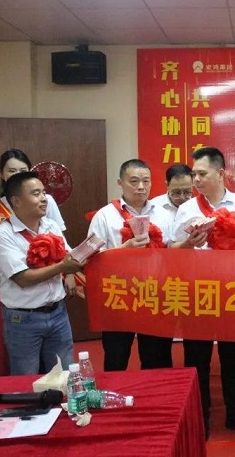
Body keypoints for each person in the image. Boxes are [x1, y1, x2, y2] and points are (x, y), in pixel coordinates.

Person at [171, 147, 235, 439]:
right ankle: (201, 417)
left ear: (221, 173)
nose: (196, 179)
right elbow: (172, 250)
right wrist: (189, 243)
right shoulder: (187, 209)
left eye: (202, 173)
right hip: (198, 293)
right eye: (194, 174)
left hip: (234, 292)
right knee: (197, 357)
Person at [0, 171, 83, 375]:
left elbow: (68, 255)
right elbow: (23, 278)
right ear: (16, 201)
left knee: (65, 374)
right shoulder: (2, 235)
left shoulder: (51, 226)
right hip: (23, 319)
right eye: (36, 193)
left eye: (43, 192)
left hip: (58, 313)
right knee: (26, 378)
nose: (43, 198)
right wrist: (63, 268)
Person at [88, 159, 174, 372]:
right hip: (118, 294)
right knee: (116, 357)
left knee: (156, 357)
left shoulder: (163, 214)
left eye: (146, 181)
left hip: (154, 293)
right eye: (134, 181)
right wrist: (124, 249)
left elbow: (173, 253)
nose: (141, 187)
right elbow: (91, 259)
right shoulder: (105, 216)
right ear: (120, 183)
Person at [0, 149, 66, 289]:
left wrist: (69, 273)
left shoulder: (45, 201)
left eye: (23, 170)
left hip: (52, 272)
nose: (18, 174)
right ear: (2, 174)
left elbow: (59, 238)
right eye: (12, 171)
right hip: (19, 272)